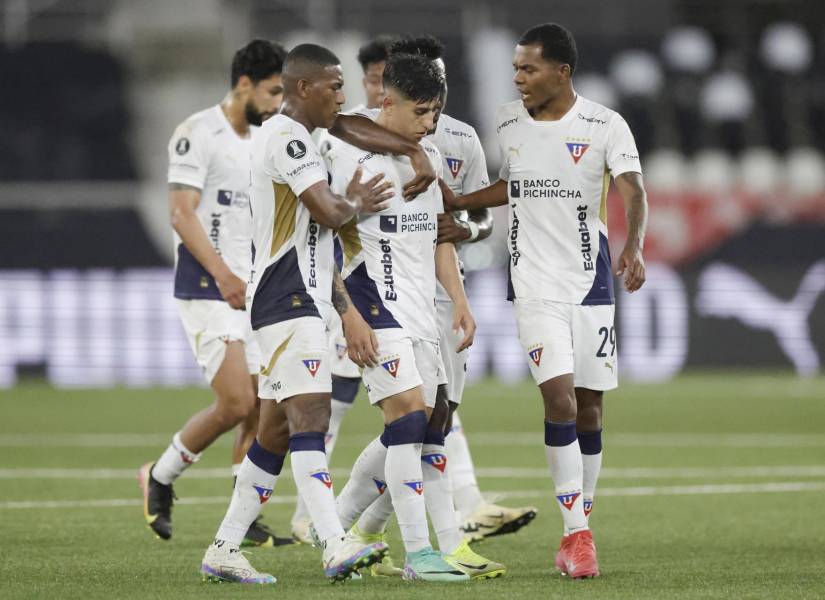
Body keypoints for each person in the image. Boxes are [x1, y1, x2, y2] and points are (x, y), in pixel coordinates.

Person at [199, 42, 438, 584]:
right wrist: (356, 201)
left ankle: (224, 548)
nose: (343, 95)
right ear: (303, 87)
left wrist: (412, 150)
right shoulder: (287, 138)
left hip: (299, 296)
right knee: (312, 417)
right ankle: (333, 543)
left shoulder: (302, 134)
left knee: (276, 433)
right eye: (334, 86)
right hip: (287, 297)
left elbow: (350, 129)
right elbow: (329, 212)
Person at [442, 23, 648, 579]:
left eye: (528, 68)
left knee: (590, 408)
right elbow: (513, 183)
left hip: (590, 283)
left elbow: (633, 189)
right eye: (515, 68)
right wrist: (459, 201)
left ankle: (576, 528)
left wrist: (633, 245)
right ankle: (579, 536)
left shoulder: (605, 124)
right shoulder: (509, 120)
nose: (518, 78)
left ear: (562, 72)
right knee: (559, 402)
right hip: (533, 286)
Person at [328, 51, 506, 580]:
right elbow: (320, 237)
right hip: (372, 303)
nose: (430, 123)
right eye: (421, 112)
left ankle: (344, 526)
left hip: (422, 310)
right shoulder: (346, 152)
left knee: (432, 424)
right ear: (388, 101)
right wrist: (348, 316)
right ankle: (418, 554)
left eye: (435, 112)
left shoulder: (427, 158)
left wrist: (461, 301)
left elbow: (438, 239)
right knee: (407, 420)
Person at [138, 39, 291, 547]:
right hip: (209, 286)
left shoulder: (266, 139)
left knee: (262, 408)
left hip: (253, 286)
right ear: (245, 84)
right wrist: (224, 275)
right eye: (273, 92)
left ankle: (244, 520)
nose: (277, 104)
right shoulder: (198, 132)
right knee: (236, 401)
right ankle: (159, 474)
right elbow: (181, 214)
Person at [290, 35, 398, 544]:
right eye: (373, 80)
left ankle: (333, 525)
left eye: (388, 82)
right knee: (326, 404)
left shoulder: (432, 139)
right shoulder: (333, 140)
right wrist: (346, 308)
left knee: (425, 411)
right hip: (340, 292)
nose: (379, 92)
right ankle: (319, 523)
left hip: (401, 294)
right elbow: (324, 221)